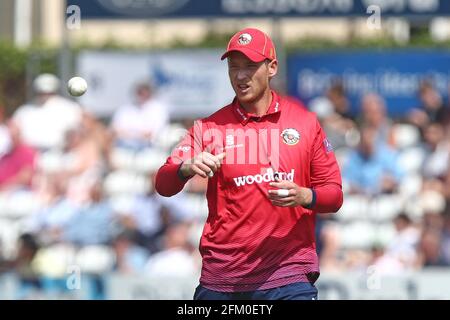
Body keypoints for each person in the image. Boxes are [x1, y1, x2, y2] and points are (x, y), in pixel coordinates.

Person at [155, 28, 343, 300]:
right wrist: (185, 168)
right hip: (224, 279)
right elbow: (163, 183)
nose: (240, 76)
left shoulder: (305, 122)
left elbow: (334, 196)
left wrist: (304, 195)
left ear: (272, 67)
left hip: (288, 274)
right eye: (234, 67)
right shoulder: (209, 127)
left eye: (250, 67)